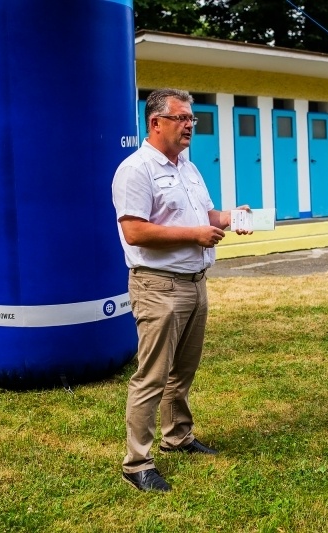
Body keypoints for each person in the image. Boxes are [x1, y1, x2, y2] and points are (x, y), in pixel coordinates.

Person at [112, 88, 251, 492]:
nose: (190, 125)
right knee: (151, 377)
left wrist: (232, 216)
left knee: (182, 372)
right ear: (156, 123)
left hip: (194, 284)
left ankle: (178, 435)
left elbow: (206, 214)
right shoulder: (136, 169)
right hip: (158, 286)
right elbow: (135, 231)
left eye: (192, 119)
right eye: (182, 118)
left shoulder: (187, 166)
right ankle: (137, 462)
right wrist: (195, 234)